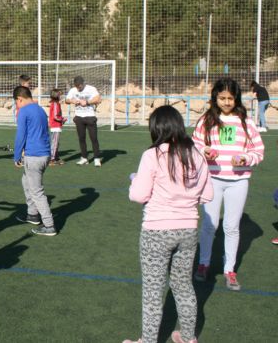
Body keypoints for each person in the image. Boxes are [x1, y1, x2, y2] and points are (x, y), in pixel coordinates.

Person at [123, 106, 213, 343]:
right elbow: (207, 196)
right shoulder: (198, 154)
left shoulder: (153, 155)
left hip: (157, 230)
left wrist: (134, 180)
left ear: (156, 129)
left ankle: (149, 340)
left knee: (153, 291)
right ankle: (188, 337)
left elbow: (138, 195)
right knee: (184, 286)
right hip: (188, 229)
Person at [192, 78, 264, 291]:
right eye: (221, 98)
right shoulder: (206, 120)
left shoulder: (246, 122)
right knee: (209, 225)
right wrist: (205, 150)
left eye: (230, 98)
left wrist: (245, 158)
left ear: (236, 99)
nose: (225, 102)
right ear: (215, 97)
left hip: (238, 181)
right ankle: (204, 264)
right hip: (212, 179)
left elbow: (258, 151)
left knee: (231, 227)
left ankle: (229, 269)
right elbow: (195, 144)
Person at [13, 85, 56, 236]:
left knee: (37, 192)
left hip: (34, 157)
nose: (17, 106)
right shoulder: (40, 110)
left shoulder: (24, 111)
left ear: (19, 99)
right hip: (44, 155)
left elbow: (21, 136)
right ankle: (32, 214)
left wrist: (17, 156)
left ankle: (49, 225)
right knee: (26, 181)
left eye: (16, 103)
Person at [65, 76, 102, 167]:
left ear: (83, 83)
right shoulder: (73, 90)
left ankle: (96, 158)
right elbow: (66, 100)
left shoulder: (91, 89)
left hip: (90, 117)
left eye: (80, 86)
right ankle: (84, 158)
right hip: (79, 117)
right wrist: (72, 101)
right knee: (81, 138)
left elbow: (98, 99)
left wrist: (87, 102)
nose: (78, 88)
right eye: (77, 86)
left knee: (93, 138)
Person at [48, 88, 65, 165]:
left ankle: (55, 157)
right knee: (54, 142)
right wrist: (62, 119)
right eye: (60, 95)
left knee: (56, 142)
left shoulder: (56, 103)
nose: (61, 96)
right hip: (55, 126)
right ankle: (52, 159)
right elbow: (55, 116)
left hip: (56, 126)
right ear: (57, 96)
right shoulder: (55, 104)